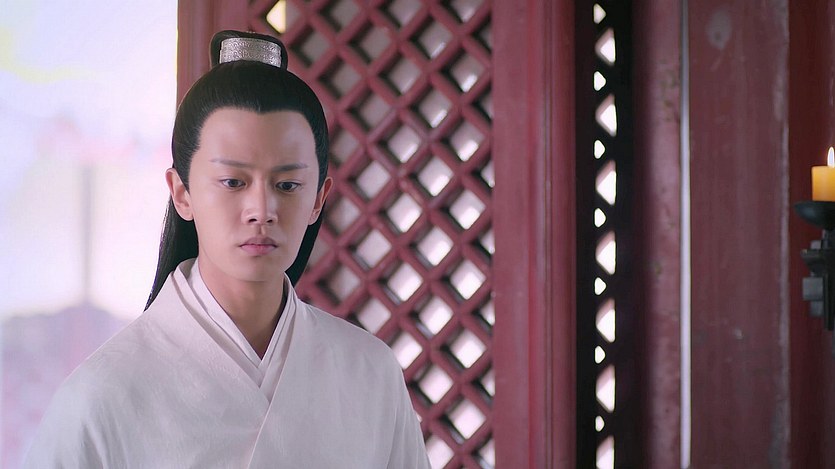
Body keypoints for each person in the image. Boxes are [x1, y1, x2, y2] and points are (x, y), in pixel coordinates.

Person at [25, 30, 430, 468]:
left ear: (318, 198)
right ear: (181, 193)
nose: (262, 210)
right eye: (233, 182)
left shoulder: (370, 372)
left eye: (287, 185)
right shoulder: (102, 394)